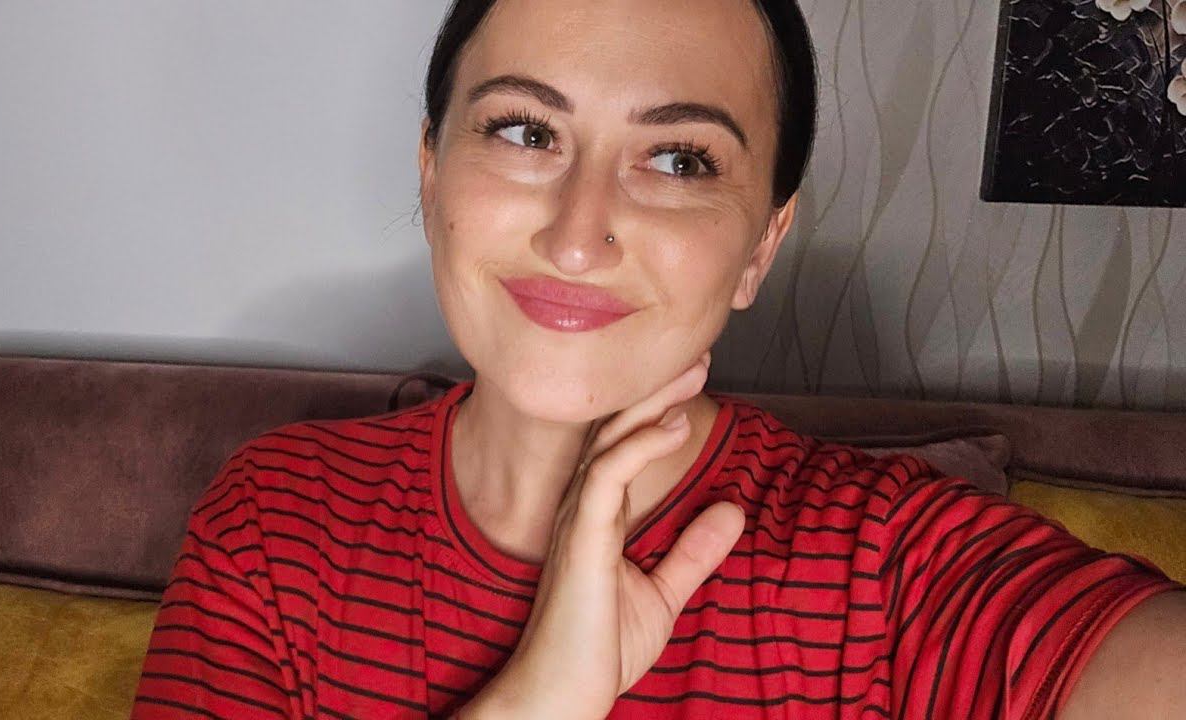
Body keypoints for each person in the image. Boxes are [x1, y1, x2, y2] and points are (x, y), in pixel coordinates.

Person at [130, 0, 1186, 717]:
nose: (576, 237)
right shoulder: (275, 519)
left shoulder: (884, 564)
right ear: (431, 172)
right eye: (523, 132)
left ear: (760, 246)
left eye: (679, 159)